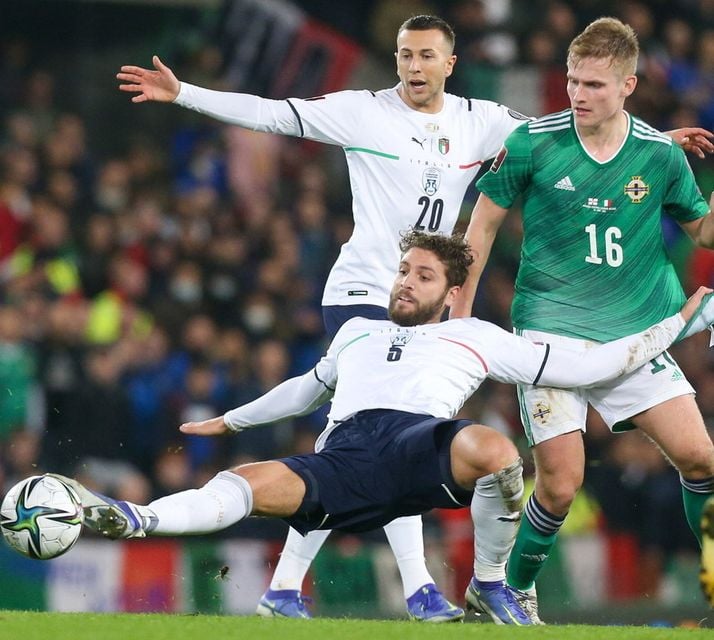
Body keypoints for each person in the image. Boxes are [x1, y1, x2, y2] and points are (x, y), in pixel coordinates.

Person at [116, 14, 712, 620]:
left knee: (400, 440)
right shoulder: (362, 111)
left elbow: (579, 130)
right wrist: (184, 93)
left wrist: (659, 139)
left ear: (449, 64)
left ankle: (318, 589)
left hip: (424, 293)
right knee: (382, 437)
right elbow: (275, 112)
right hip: (364, 293)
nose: (413, 67)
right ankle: (395, 586)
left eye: (426, 56)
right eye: (404, 55)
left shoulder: (480, 121)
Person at [51, 229, 713, 625]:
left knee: (496, 448)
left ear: (450, 293)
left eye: (422, 275)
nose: (404, 283)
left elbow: (597, 362)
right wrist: (231, 418)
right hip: (346, 454)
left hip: (420, 445)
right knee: (245, 481)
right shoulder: (360, 331)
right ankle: (135, 520)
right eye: (402, 270)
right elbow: (304, 390)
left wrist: (677, 322)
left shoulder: (478, 337)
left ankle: (488, 582)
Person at [450, 17, 714, 622]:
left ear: (627, 85)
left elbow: (703, 231)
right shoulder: (535, 142)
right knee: (562, 484)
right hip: (551, 335)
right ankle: (510, 590)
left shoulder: (658, 153)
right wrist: (461, 313)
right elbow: (483, 224)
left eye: (593, 84)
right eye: (572, 81)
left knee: (701, 459)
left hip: (635, 335)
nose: (577, 94)